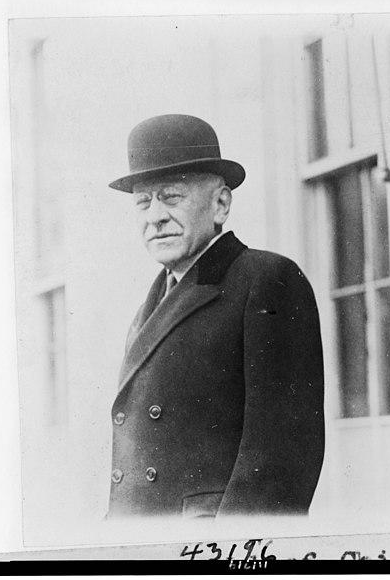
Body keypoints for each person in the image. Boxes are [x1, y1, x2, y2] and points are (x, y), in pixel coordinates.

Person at [107, 114, 324, 519]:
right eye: (142, 201)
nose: (154, 216)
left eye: (171, 197)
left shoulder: (265, 279)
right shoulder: (146, 311)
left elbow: (282, 461)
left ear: (221, 203)